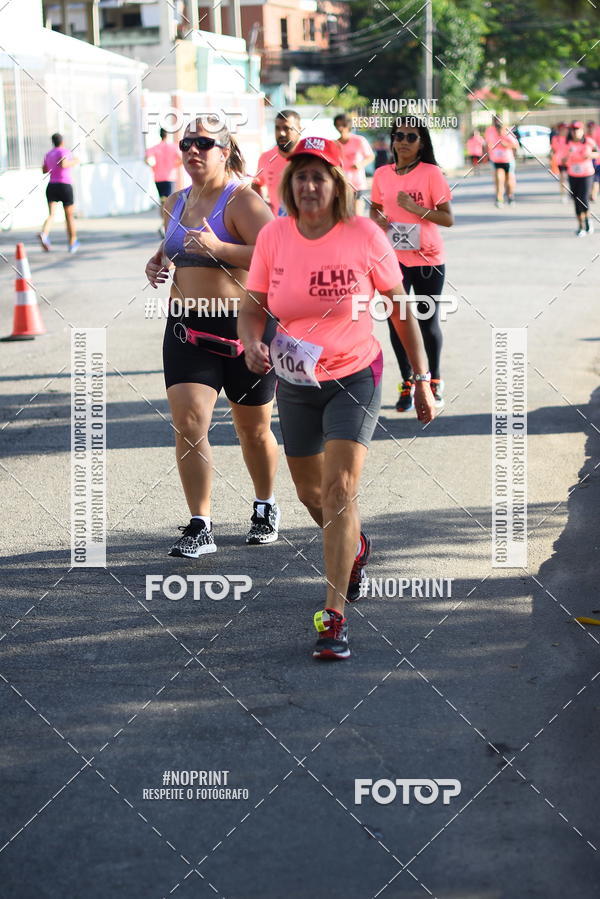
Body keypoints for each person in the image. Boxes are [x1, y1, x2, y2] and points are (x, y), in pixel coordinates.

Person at [239, 136, 436, 660]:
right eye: (300, 175)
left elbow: (400, 308)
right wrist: (252, 341)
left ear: (336, 183)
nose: (308, 185)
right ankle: (356, 546)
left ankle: (333, 616)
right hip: (296, 381)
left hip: (356, 374)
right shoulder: (275, 236)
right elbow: (254, 304)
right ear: (289, 182)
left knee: (340, 488)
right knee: (311, 495)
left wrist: (421, 379)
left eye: (319, 176)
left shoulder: (364, 235)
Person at [145, 117, 281, 556]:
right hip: (187, 326)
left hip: (244, 326)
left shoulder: (243, 201)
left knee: (253, 429)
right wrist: (158, 262)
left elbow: (278, 255)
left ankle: (264, 504)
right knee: (188, 424)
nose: (193, 150)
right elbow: (171, 248)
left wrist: (222, 250)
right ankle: (200, 524)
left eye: (205, 143)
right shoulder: (173, 202)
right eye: (187, 143)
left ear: (226, 151)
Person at [370, 117, 454, 412]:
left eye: (410, 137)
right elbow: (374, 208)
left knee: (427, 320)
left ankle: (434, 381)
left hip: (428, 257)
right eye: (398, 136)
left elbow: (448, 218)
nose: (403, 141)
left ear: (421, 144)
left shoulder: (431, 173)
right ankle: (408, 382)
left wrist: (415, 209)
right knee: (397, 322)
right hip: (392, 258)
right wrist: (377, 220)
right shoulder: (382, 174)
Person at [252, 109, 302, 215]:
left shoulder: (310, 157)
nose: (281, 133)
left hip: (307, 227)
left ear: (299, 130)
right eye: (277, 128)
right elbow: (256, 184)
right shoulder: (266, 158)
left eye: (287, 128)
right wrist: (262, 205)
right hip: (277, 226)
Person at [39, 133, 80, 253]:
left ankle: (44, 234)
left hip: (52, 185)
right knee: (69, 217)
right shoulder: (64, 151)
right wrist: (75, 161)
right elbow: (64, 164)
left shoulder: (48, 154)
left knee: (51, 215)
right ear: (62, 142)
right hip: (65, 185)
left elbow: (44, 170)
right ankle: (72, 243)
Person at [333, 113, 375, 215]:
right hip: (342, 185)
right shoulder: (334, 143)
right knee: (343, 215)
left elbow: (371, 156)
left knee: (357, 216)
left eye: (343, 125)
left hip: (358, 184)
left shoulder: (359, 140)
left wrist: (360, 164)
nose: (340, 128)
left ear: (348, 126)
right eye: (338, 125)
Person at [145, 128, 182, 235]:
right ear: (167, 135)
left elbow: (146, 158)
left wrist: (153, 167)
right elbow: (182, 159)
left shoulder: (156, 147)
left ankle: (164, 224)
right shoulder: (173, 147)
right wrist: (175, 165)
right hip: (170, 177)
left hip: (158, 178)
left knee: (163, 202)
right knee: (170, 202)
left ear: (160, 135)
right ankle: (166, 225)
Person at [564, 121, 598, 236]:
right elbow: (562, 160)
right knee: (576, 200)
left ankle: (587, 220)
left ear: (582, 130)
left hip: (587, 174)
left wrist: (590, 155)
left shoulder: (589, 141)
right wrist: (568, 155)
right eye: (573, 130)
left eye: (577, 129)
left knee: (583, 199)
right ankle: (581, 226)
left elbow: (598, 153)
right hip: (573, 174)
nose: (574, 132)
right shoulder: (567, 143)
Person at [484, 116, 519, 206]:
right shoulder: (489, 130)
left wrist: (506, 144)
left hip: (508, 160)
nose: (496, 123)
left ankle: (510, 196)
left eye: (498, 121)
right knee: (499, 179)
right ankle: (499, 199)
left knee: (509, 180)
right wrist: (485, 155)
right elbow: (487, 143)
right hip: (496, 160)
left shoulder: (507, 130)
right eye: (495, 121)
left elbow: (516, 145)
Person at [550, 122, 569, 203]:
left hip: (571, 161)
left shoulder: (570, 138)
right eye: (563, 129)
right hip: (561, 162)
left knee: (571, 178)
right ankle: (563, 195)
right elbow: (553, 150)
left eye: (566, 128)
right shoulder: (555, 138)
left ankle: (573, 193)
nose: (565, 130)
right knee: (563, 178)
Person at [585, 121, 600, 202]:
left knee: (595, 178)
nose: (591, 129)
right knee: (594, 179)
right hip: (589, 161)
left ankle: (593, 195)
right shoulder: (586, 137)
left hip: (596, 160)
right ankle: (593, 194)